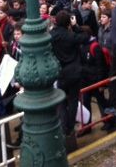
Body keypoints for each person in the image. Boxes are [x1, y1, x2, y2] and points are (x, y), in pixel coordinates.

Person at [49, 11, 88, 141]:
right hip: (74, 72)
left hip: (60, 73)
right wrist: (75, 26)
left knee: (61, 102)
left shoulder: (52, 36)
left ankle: (64, 125)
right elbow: (85, 36)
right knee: (73, 100)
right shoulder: (70, 36)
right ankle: (69, 127)